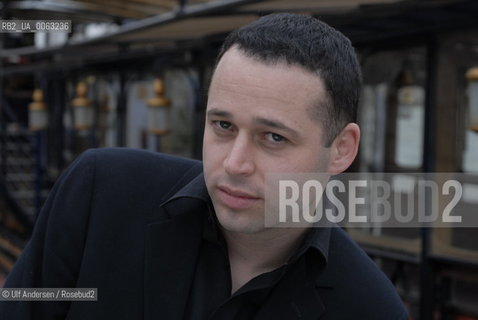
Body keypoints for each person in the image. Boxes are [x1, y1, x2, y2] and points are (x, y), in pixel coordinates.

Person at [0, 13, 408, 319]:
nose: (235, 163)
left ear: (341, 149)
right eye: (223, 126)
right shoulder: (101, 194)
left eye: (274, 137)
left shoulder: (368, 308)